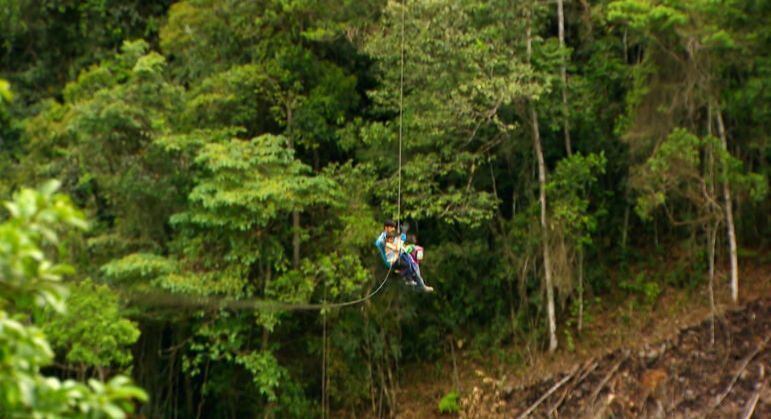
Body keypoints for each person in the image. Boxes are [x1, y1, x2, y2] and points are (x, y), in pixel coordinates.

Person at [375, 220, 433, 292]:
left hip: (399, 254)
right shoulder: (383, 238)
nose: (393, 229)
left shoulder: (391, 236)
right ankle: (413, 281)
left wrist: (403, 233)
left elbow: (399, 242)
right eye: (392, 227)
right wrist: (387, 243)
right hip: (392, 259)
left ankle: (419, 283)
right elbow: (379, 243)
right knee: (409, 264)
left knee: (414, 258)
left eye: (394, 227)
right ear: (386, 228)